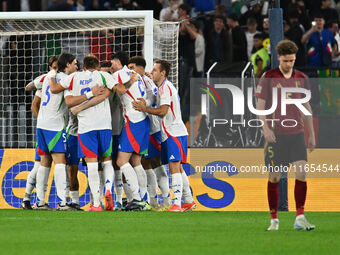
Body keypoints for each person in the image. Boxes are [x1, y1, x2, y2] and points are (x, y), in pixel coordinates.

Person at [255, 40, 316, 231]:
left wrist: (311, 134)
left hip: (297, 133)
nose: (289, 64)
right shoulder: (269, 77)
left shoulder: (302, 77)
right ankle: (274, 220)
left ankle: (300, 217)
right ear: (279, 57)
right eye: (286, 60)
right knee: (274, 177)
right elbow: (260, 106)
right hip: (277, 135)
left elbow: (306, 107)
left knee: (301, 173)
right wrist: (265, 129)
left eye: (292, 60)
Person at [133, 60, 195, 212]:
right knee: (178, 167)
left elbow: (163, 111)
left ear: (163, 73)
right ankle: (188, 200)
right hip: (174, 131)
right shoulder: (162, 87)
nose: (151, 72)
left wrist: (145, 108)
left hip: (173, 131)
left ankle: (176, 204)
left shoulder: (165, 88)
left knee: (174, 167)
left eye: (154, 70)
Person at [57, 55, 115, 211]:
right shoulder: (103, 75)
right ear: (97, 66)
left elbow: (67, 100)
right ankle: (108, 189)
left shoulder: (74, 77)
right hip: (104, 125)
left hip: (85, 127)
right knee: (107, 161)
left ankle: (96, 203)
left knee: (91, 165)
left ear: (83, 67)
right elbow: (116, 90)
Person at [34, 53, 78, 210]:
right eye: (74, 64)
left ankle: (39, 202)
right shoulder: (65, 79)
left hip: (41, 124)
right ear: (66, 65)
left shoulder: (48, 76)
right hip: (54, 125)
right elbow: (62, 96)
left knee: (44, 162)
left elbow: (34, 86)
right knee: (60, 162)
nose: (76, 67)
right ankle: (62, 202)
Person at [128, 56, 171, 209]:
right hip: (144, 128)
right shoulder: (142, 79)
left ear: (140, 67)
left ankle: (167, 200)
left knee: (157, 164)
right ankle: (153, 201)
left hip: (152, 128)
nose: (130, 70)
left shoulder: (145, 80)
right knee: (146, 163)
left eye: (132, 67)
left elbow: (151, 97)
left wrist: (144, 104)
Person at [21, 56, 58, 210]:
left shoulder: (62, 81)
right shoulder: (45, 81)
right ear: (49, 67)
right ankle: (27, 198)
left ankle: (37, 200)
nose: (56, 70)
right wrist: (43, 120)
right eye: (54, 67)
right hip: (46, 129)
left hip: (59, 128)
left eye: (58, 67)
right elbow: (34, 106)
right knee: (39, 165)